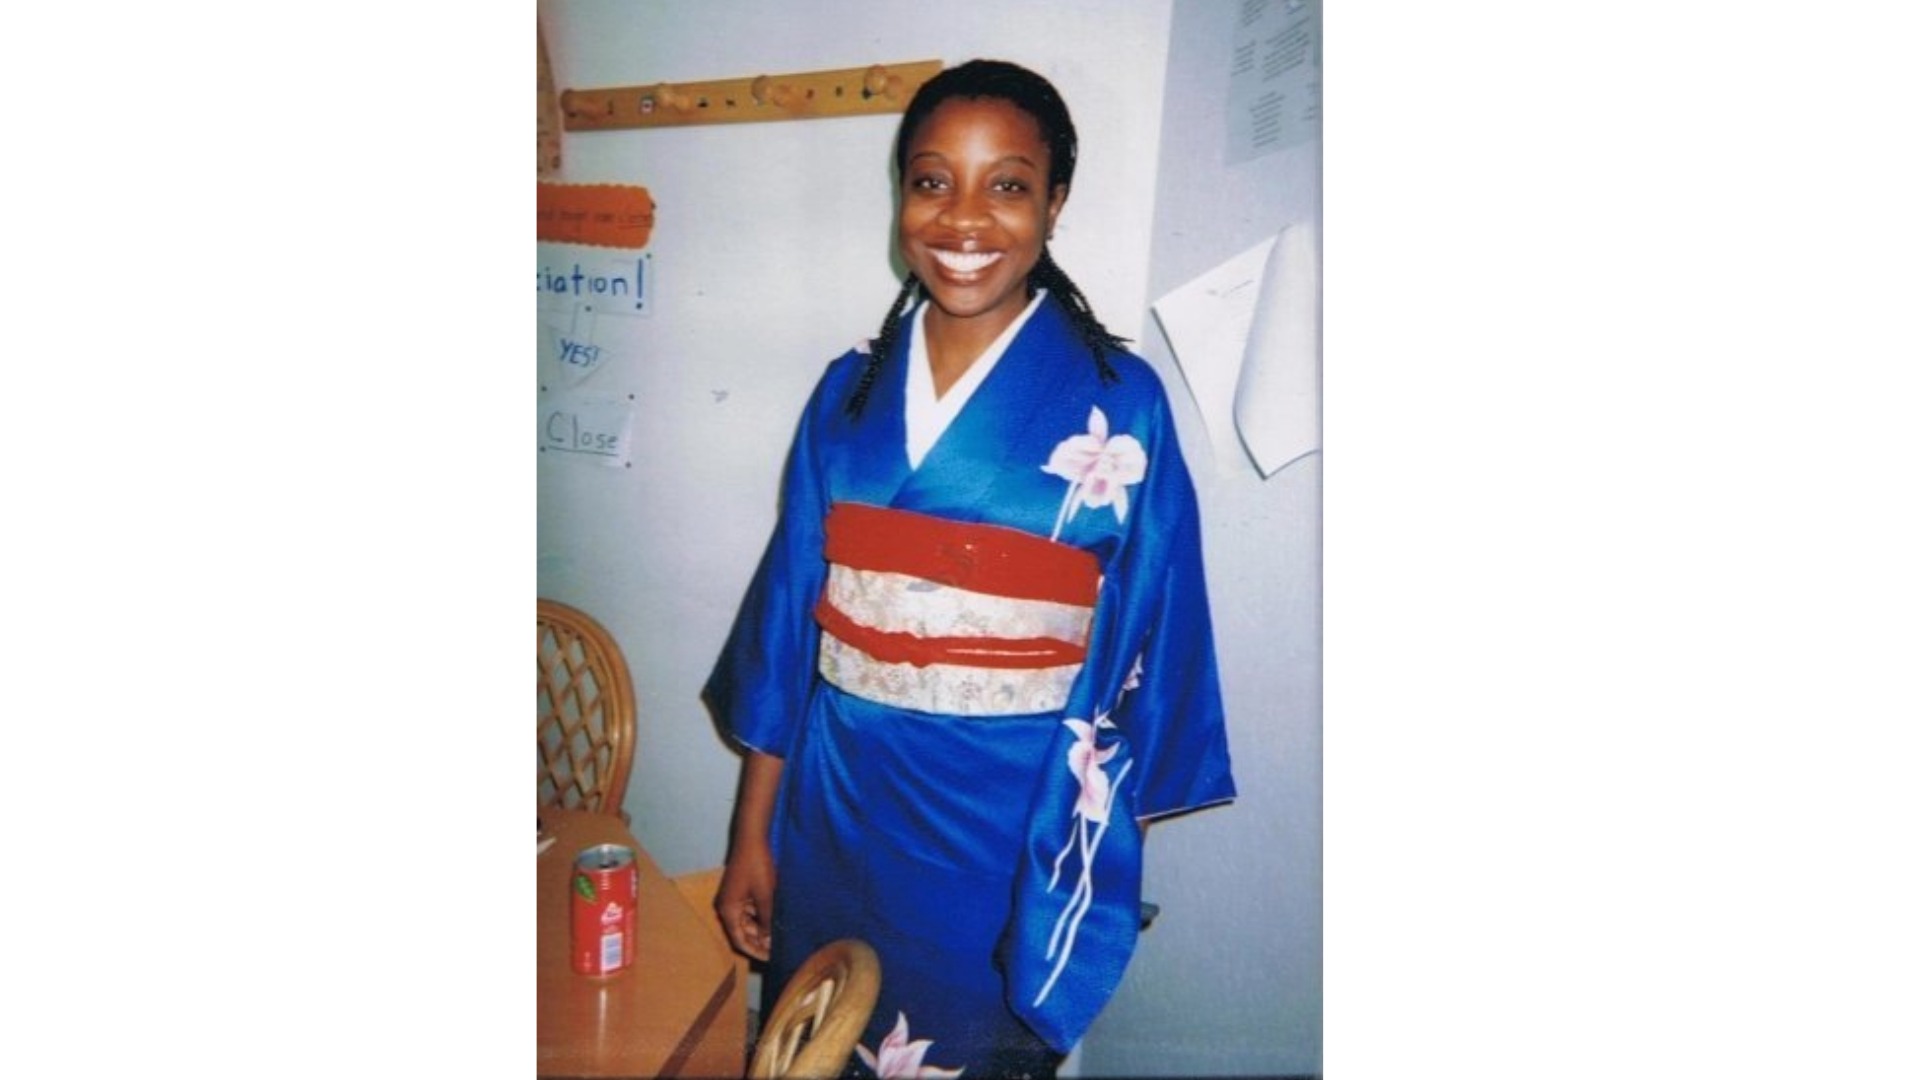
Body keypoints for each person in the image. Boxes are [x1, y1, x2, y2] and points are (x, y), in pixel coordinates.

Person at [704, 59, 1235, 1079]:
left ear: (1055, 202)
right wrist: (751, 836)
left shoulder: (1122, 405)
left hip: (1006, 832)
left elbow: (1153, 642)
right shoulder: (845, 397)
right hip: (835, 807)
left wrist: (1090, 864)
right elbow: (784, 629)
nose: (963, 218)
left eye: (1008, 184)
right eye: (932, 179)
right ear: (901, 193)